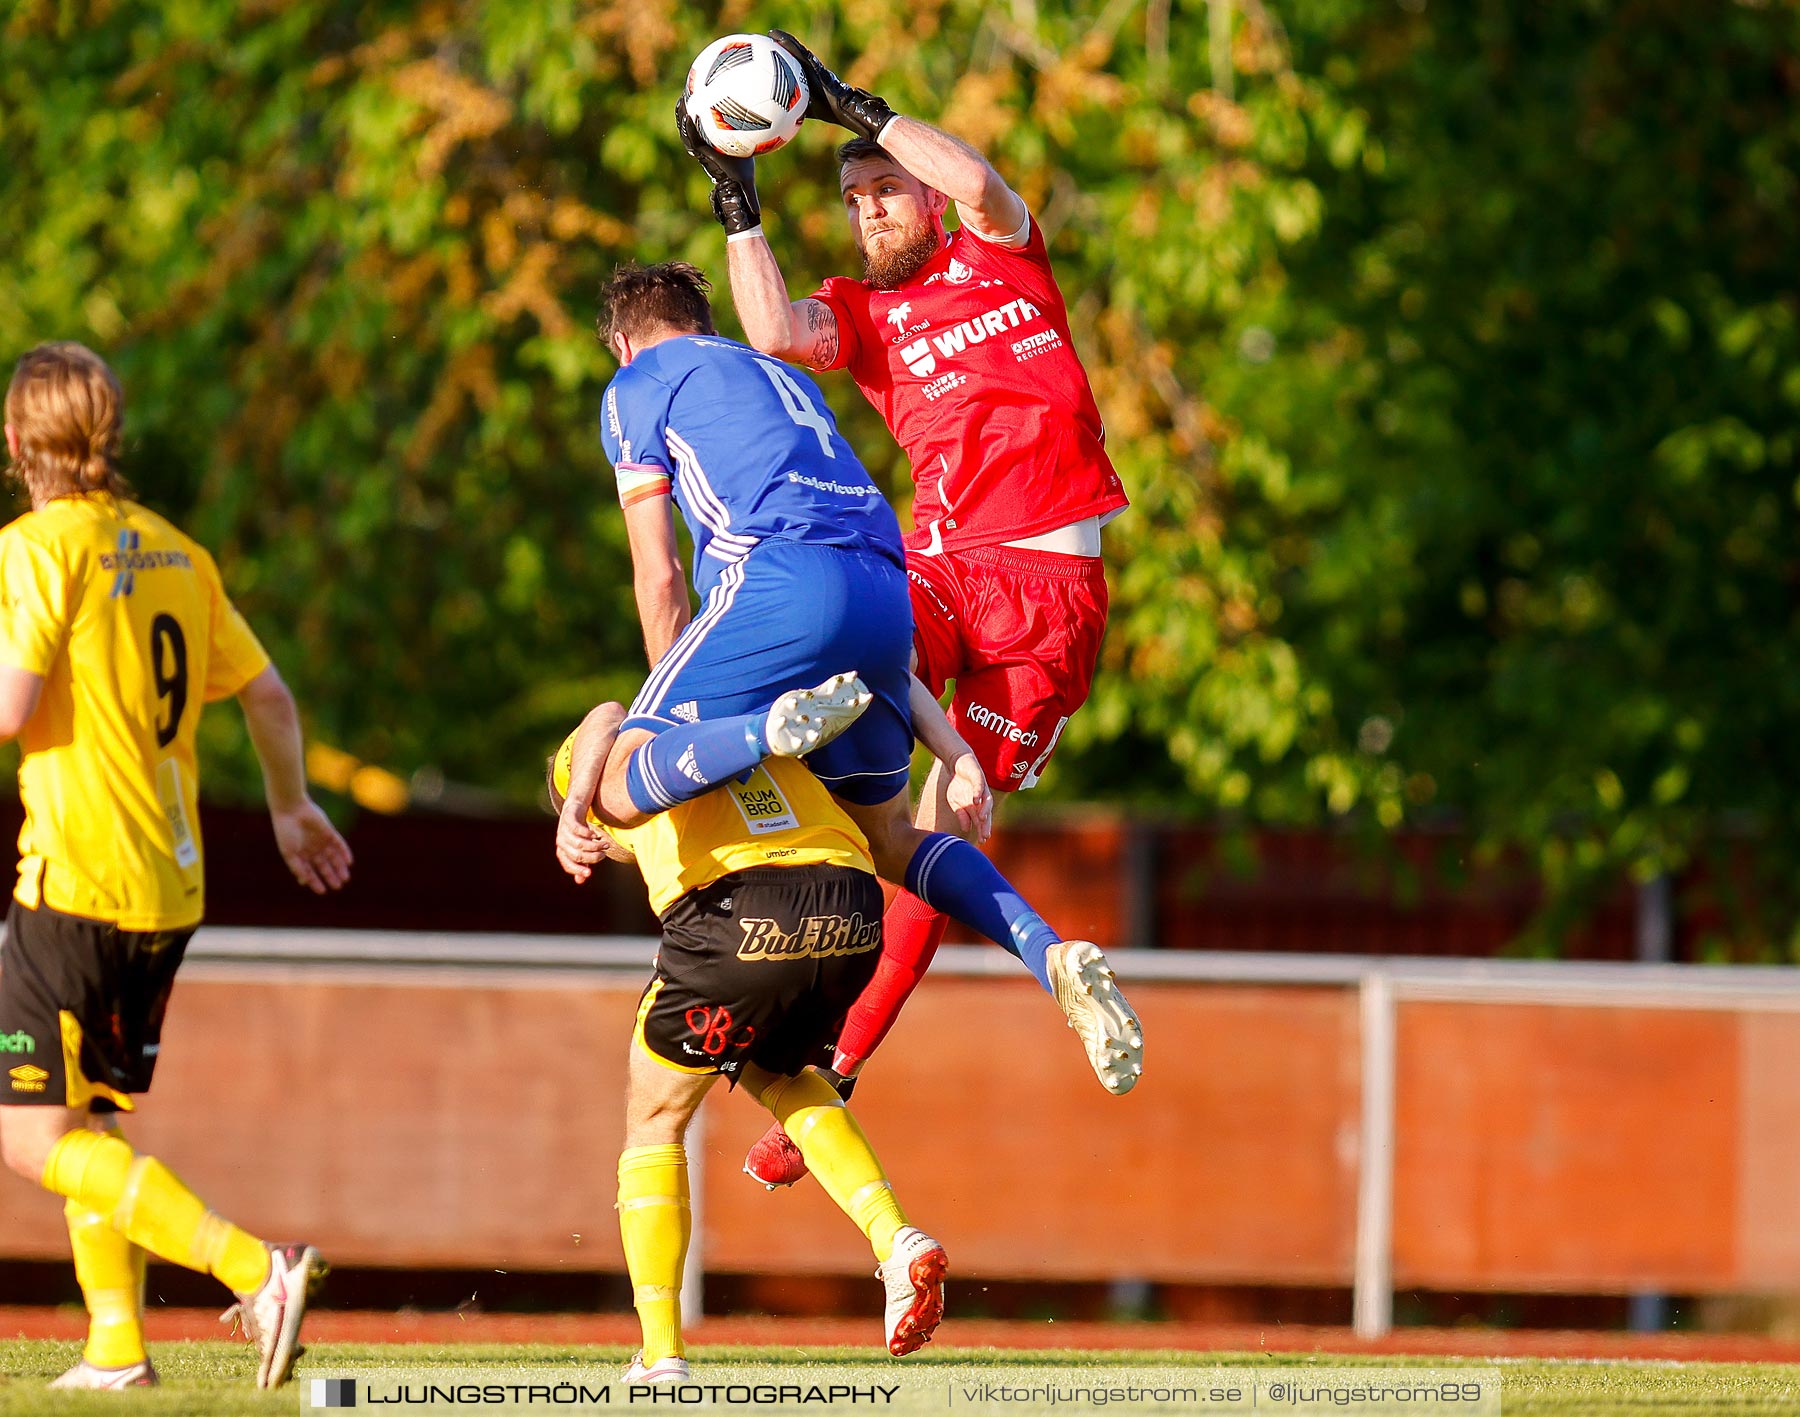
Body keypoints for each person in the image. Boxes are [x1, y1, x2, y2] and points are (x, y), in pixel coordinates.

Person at [677, 33, 1141, 1183]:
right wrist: (738, 200)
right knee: (832, 704)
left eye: (886, 189)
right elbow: (774, 332)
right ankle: (778, 942)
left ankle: (834, 1071)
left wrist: (848, 108)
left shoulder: (1001, 254)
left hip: (1053, 591)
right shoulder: (865, 314)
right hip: (940, 567)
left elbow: (978, 181)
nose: (870, 207)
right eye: (853, 198)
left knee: (943, 833)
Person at [593, 262, 1137, 1116]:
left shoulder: (637, 383)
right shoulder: (770, 370)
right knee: (890, 836)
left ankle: (766, 729)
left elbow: (660, 578)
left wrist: (676, 720)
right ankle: (1046, 949)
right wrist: (953, 751)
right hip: (884, 590)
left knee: (621, 775)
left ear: (623, 342)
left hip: (772, 582)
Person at [0, 343, 353, 1391]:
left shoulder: (35, 547)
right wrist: (290, 809)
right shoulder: (176, 550)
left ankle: (256, 1267)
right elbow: (270, 696)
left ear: (20, 442)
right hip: (167, 883)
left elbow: (11, 708)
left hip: (74, 872)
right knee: (94, 1118)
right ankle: (116, 1344)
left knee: (26, 1136)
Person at [549, 703, 950, 1380]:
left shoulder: (626, 746)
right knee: (782, 1074)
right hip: (850, 906)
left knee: (653, 1117)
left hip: (743, 912)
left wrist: (571, 804)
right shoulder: (742, 704)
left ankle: (660, 1353)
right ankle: (895, 1235)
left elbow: (605, 716)